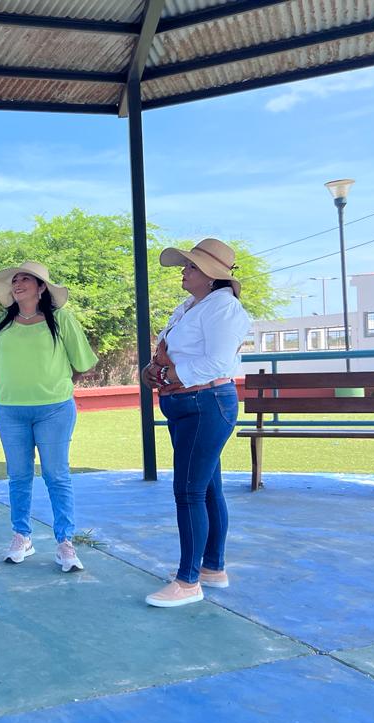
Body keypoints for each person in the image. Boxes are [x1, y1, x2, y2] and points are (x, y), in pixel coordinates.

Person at [141, 238, 250, 608]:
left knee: (189, 491)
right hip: (190, 403)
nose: (183, 272)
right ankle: (212, 568)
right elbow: (175, 351)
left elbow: (218, 363)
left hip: (205, 403)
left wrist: (169, 375)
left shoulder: (224, 308)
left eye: (190, 266)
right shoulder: (191, 307)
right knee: (206, 488)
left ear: (211, 274)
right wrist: (154, 370)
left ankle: (188, 581)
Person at [0, 261, 98, 572]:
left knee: (57, 475)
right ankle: (22, 536)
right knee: (18, 476)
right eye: (15, 280)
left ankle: (65, 542)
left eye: (25, 279)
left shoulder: (61, 319)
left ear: (41, 287)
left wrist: (56, 386)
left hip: (55, 410)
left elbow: (82, 364)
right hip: (10, 412)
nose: (18, 284)